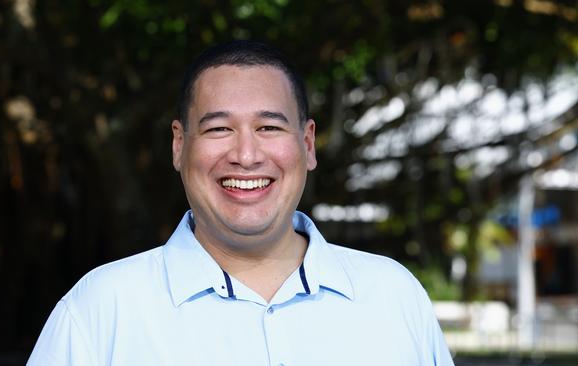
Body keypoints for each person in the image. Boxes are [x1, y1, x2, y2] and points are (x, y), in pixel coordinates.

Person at [27, 40, 454, 365]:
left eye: (269, 127)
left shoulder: (394, 297)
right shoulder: (99, 310)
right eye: (218, 130)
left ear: (307, 144)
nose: (246, 155)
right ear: (179, 146)